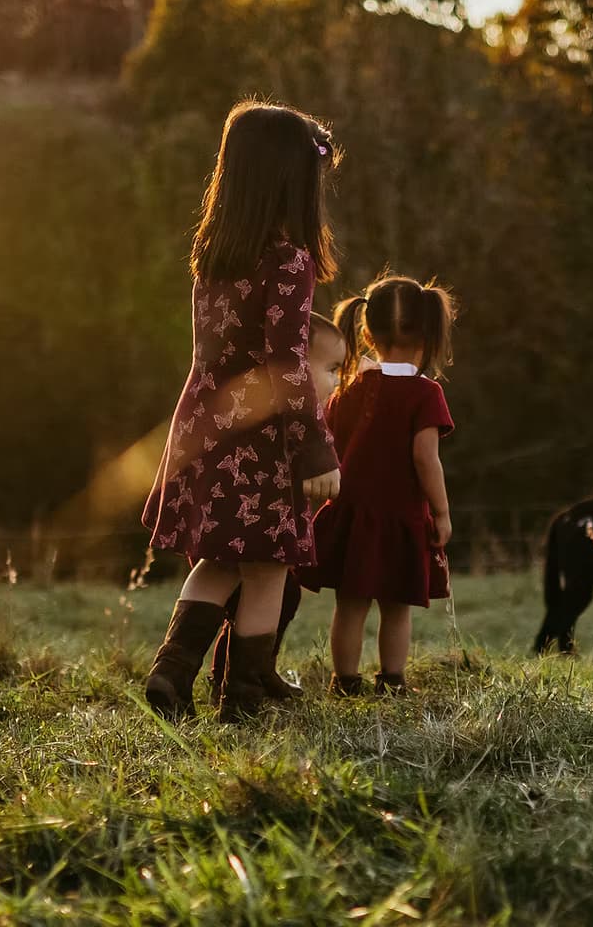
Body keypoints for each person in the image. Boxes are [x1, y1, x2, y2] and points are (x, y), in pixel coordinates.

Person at [140, 101, 344, 722]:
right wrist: (315, 448)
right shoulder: (289, 261)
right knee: (266, 565)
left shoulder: (212, 255)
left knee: (218, 556)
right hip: (262, 436)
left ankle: (172, 674)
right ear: (293, 183)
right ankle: (245, 694)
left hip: (205, 421)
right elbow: (287, 364)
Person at [311, 275, 456, 695]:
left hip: (353, 513)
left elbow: (331, 443)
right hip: (401, 517)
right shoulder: (425, 393)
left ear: (368, 333)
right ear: (428, 332)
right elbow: (425, 457)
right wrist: (442, 512)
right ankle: (392, 681)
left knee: (350, 605)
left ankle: (345, 681)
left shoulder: (349, 389)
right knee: (396, 607)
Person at [205, 312, 349, 704]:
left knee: (283, 593)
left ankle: (255, 673)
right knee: (258, 591)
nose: (337, 380)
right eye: (332, 369)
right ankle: (234, 686)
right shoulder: (292, 418)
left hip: (249, 528)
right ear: (298, 369)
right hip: (256, 532)